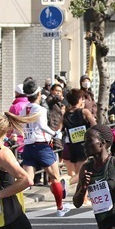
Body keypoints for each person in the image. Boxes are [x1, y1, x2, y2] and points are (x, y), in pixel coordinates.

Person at [19, 79, 70, 217]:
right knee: (55, 177)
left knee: (26, 180)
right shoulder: (40, 109)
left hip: (28, 146)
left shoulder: (23, 109)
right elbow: (42, 126)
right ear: (38, 94)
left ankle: (12, 205)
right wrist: (55, 134)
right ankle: (60, 208)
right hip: (42, 146)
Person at [61, 89, 97, 188]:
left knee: (76, 173)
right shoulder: (84, 112)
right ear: (80, 99)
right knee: (82, 173)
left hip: (71, 145)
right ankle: (66, 182)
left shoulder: (66, 114)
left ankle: (71, 187)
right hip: (83, 145)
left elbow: (60, 128)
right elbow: (94, 125)